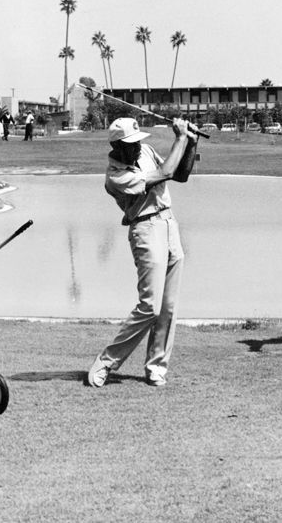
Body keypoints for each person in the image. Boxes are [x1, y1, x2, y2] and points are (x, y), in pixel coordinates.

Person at [88, 116, 199, 387]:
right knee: (150, 306)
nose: (137, 147)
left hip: (169, 223)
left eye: (138, 141)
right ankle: (105, 362)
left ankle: (156, 367)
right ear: (117, 146)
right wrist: (180, 138)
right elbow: (165, 173)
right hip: (146, 228)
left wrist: (191, 144)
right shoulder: (115, 176)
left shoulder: (146, 151)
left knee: (168, 306)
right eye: (131, 144)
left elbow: (180, 174)